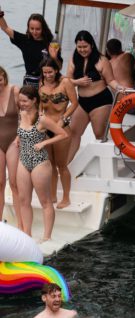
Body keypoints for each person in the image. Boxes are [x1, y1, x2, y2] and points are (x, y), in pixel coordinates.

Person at [16, 84, 68, 242]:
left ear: (33, 100)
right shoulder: (20, 114)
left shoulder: (42, 119)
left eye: (25, 101)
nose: (22, 103)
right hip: (23, 160)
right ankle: (27, 234)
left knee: (45, 201)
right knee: (24, 200)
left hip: (39, 162)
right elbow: (22, 131)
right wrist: (19, 138)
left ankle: (47, 237)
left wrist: (45, 143)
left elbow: (63, 134)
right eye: (20, 101)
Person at [67, 31, 123, 162]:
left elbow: (110, 81)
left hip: (100, 101)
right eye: (79, 47)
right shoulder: (73, 59)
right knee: (74, 133)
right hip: (82, 101)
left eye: (85, 47)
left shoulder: (102, 60)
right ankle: (65, 165)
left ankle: (104, 166)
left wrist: (121, 88)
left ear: (91, 44)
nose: (82, 50)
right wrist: (77, 82)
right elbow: (66, 80)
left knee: (99, 134)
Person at [39, 57, 77, 209]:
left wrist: (64, 118)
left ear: (56, 70)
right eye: (45, 72)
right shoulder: (41, 84)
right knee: (50, 164)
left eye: (50, 72)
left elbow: (74, 103)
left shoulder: (65, 82)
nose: (48, 75)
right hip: (47, 127)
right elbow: (40, 106)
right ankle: (53, 195)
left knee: (62, 165)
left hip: (61, 127)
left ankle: (66, 197)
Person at [0, 11, 59, 86]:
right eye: (32, 28)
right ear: (28, 28)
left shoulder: (51, 43)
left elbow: (59, 67)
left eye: (38, 29)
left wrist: (54, 58)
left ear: (43, 28)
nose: (34, 32)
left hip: (48, 80)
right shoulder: (24, 40)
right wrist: (0, 14)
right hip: (30, 81)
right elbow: (5, 28)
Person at [0, 66, 21, 228]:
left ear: (4, 77)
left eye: (0, 79)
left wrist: (20, 135)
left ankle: (21, 223)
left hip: (14, 140)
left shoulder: (15, 90)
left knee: (14, 182)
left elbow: (28, 113)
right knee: (0, 183)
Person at [105, 38, 135, 103]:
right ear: (120, 48)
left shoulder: (107, 64)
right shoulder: (127, 57)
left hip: (116, 101)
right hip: (130, 97)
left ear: (108, 51)